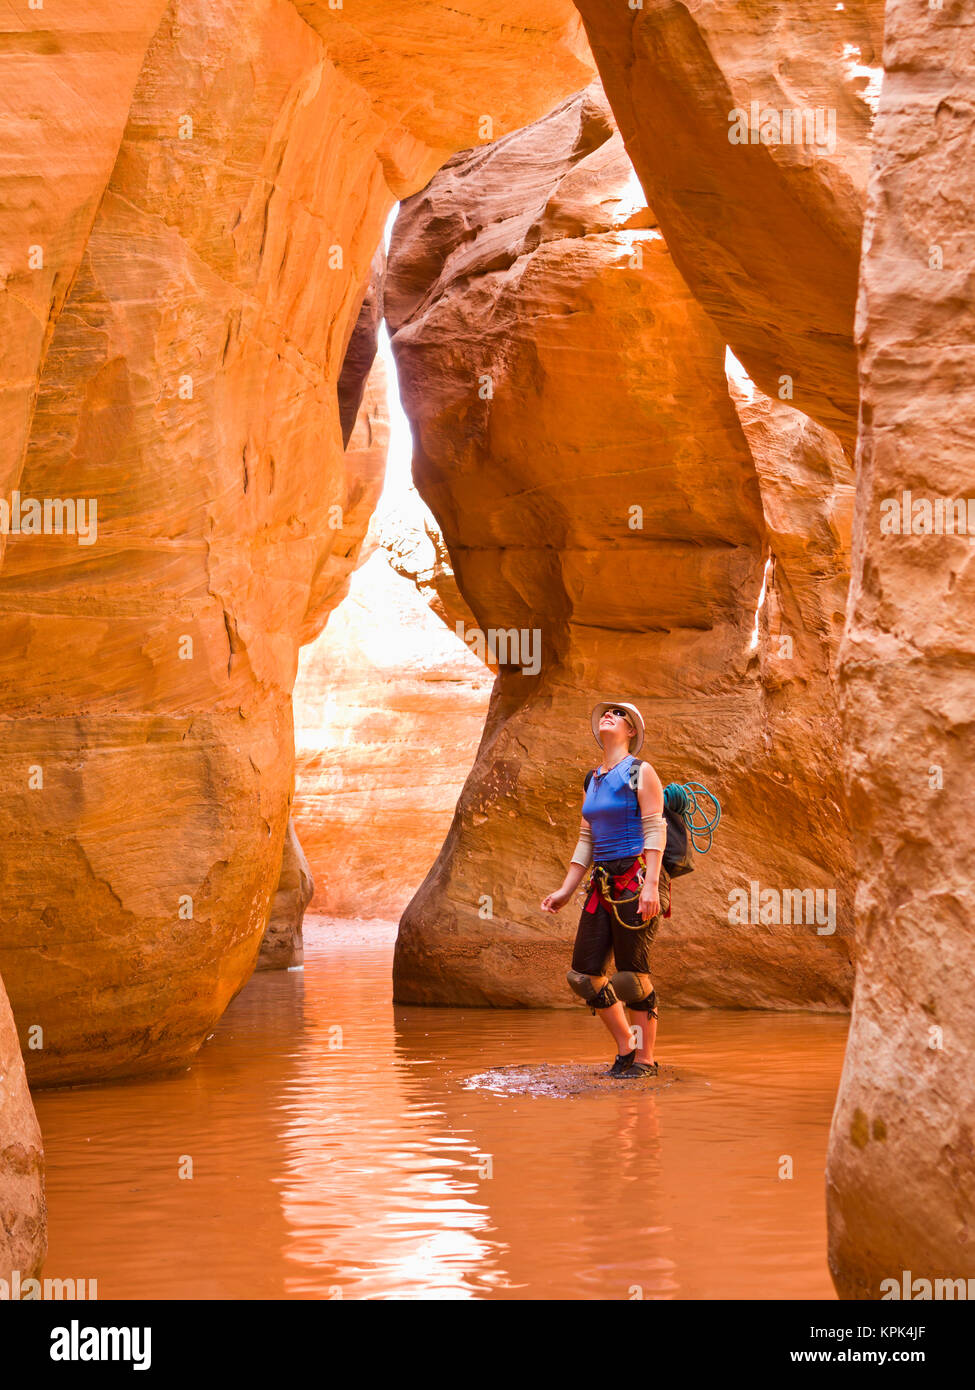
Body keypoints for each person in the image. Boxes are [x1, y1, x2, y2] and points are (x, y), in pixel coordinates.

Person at [540, 700, 669, 1079]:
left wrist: (652, 887)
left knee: (631, 976)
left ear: (631, 732)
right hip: (602, 882)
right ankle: (626, 1048)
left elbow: (655, 828)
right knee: (584, 975)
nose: (610, 716)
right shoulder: (591, 778)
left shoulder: (640, 772)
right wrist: (566, 890)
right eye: (606, 714)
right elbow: (586, 838)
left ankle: (645, 1060)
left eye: (620, 715)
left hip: (637, 878)